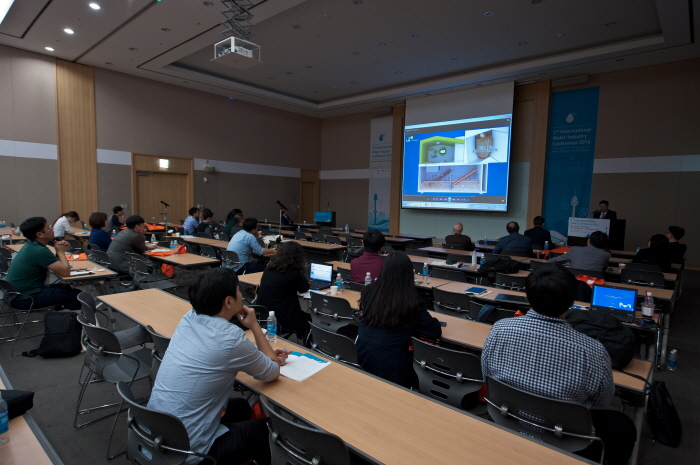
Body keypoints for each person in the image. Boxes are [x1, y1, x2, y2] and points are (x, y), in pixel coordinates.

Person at [481, 263, 636, 465]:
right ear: (572, 302)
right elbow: (602, 401)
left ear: (527, 296)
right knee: (623, 425)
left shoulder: (499, 329)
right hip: (565, 436)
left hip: (507, 417)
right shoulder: (593, 350)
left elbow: (486, 374)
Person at [148, 267, 288, 465]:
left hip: (157, 433)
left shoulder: (189, 318)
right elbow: (272, 372)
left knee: (241, 406)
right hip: (190, 453)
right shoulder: (231, 338)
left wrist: (261, 354)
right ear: (229, 302)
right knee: (271, 429)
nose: (242, 295)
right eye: (238, 290)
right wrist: (255, 326)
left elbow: (219, 352)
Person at [356, 252, 441, 388]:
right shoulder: (411, 300)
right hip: (393, 366)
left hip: (363, 355)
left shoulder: (369, 291)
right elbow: (434, 331)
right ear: (409, 274)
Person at [4, 217, 81, 310]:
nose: (52, 228)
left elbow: (57, 267)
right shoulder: (40, 251)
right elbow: (65, 272)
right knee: (77, 295)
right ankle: (67, 318)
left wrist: (58, 251)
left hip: (14, 295)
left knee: (65, 287)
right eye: (48, 227)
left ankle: (58, 313)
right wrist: (61, 252)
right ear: (40, 234)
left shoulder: (31, 245)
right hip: (24, 298)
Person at [256, 242, 310, 339]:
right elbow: (304, 287)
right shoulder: (293, 273)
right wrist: (301, 271)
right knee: (308, 319)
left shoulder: (269, 268)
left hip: (263, 314)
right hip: (281, 318)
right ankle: (307, 345)